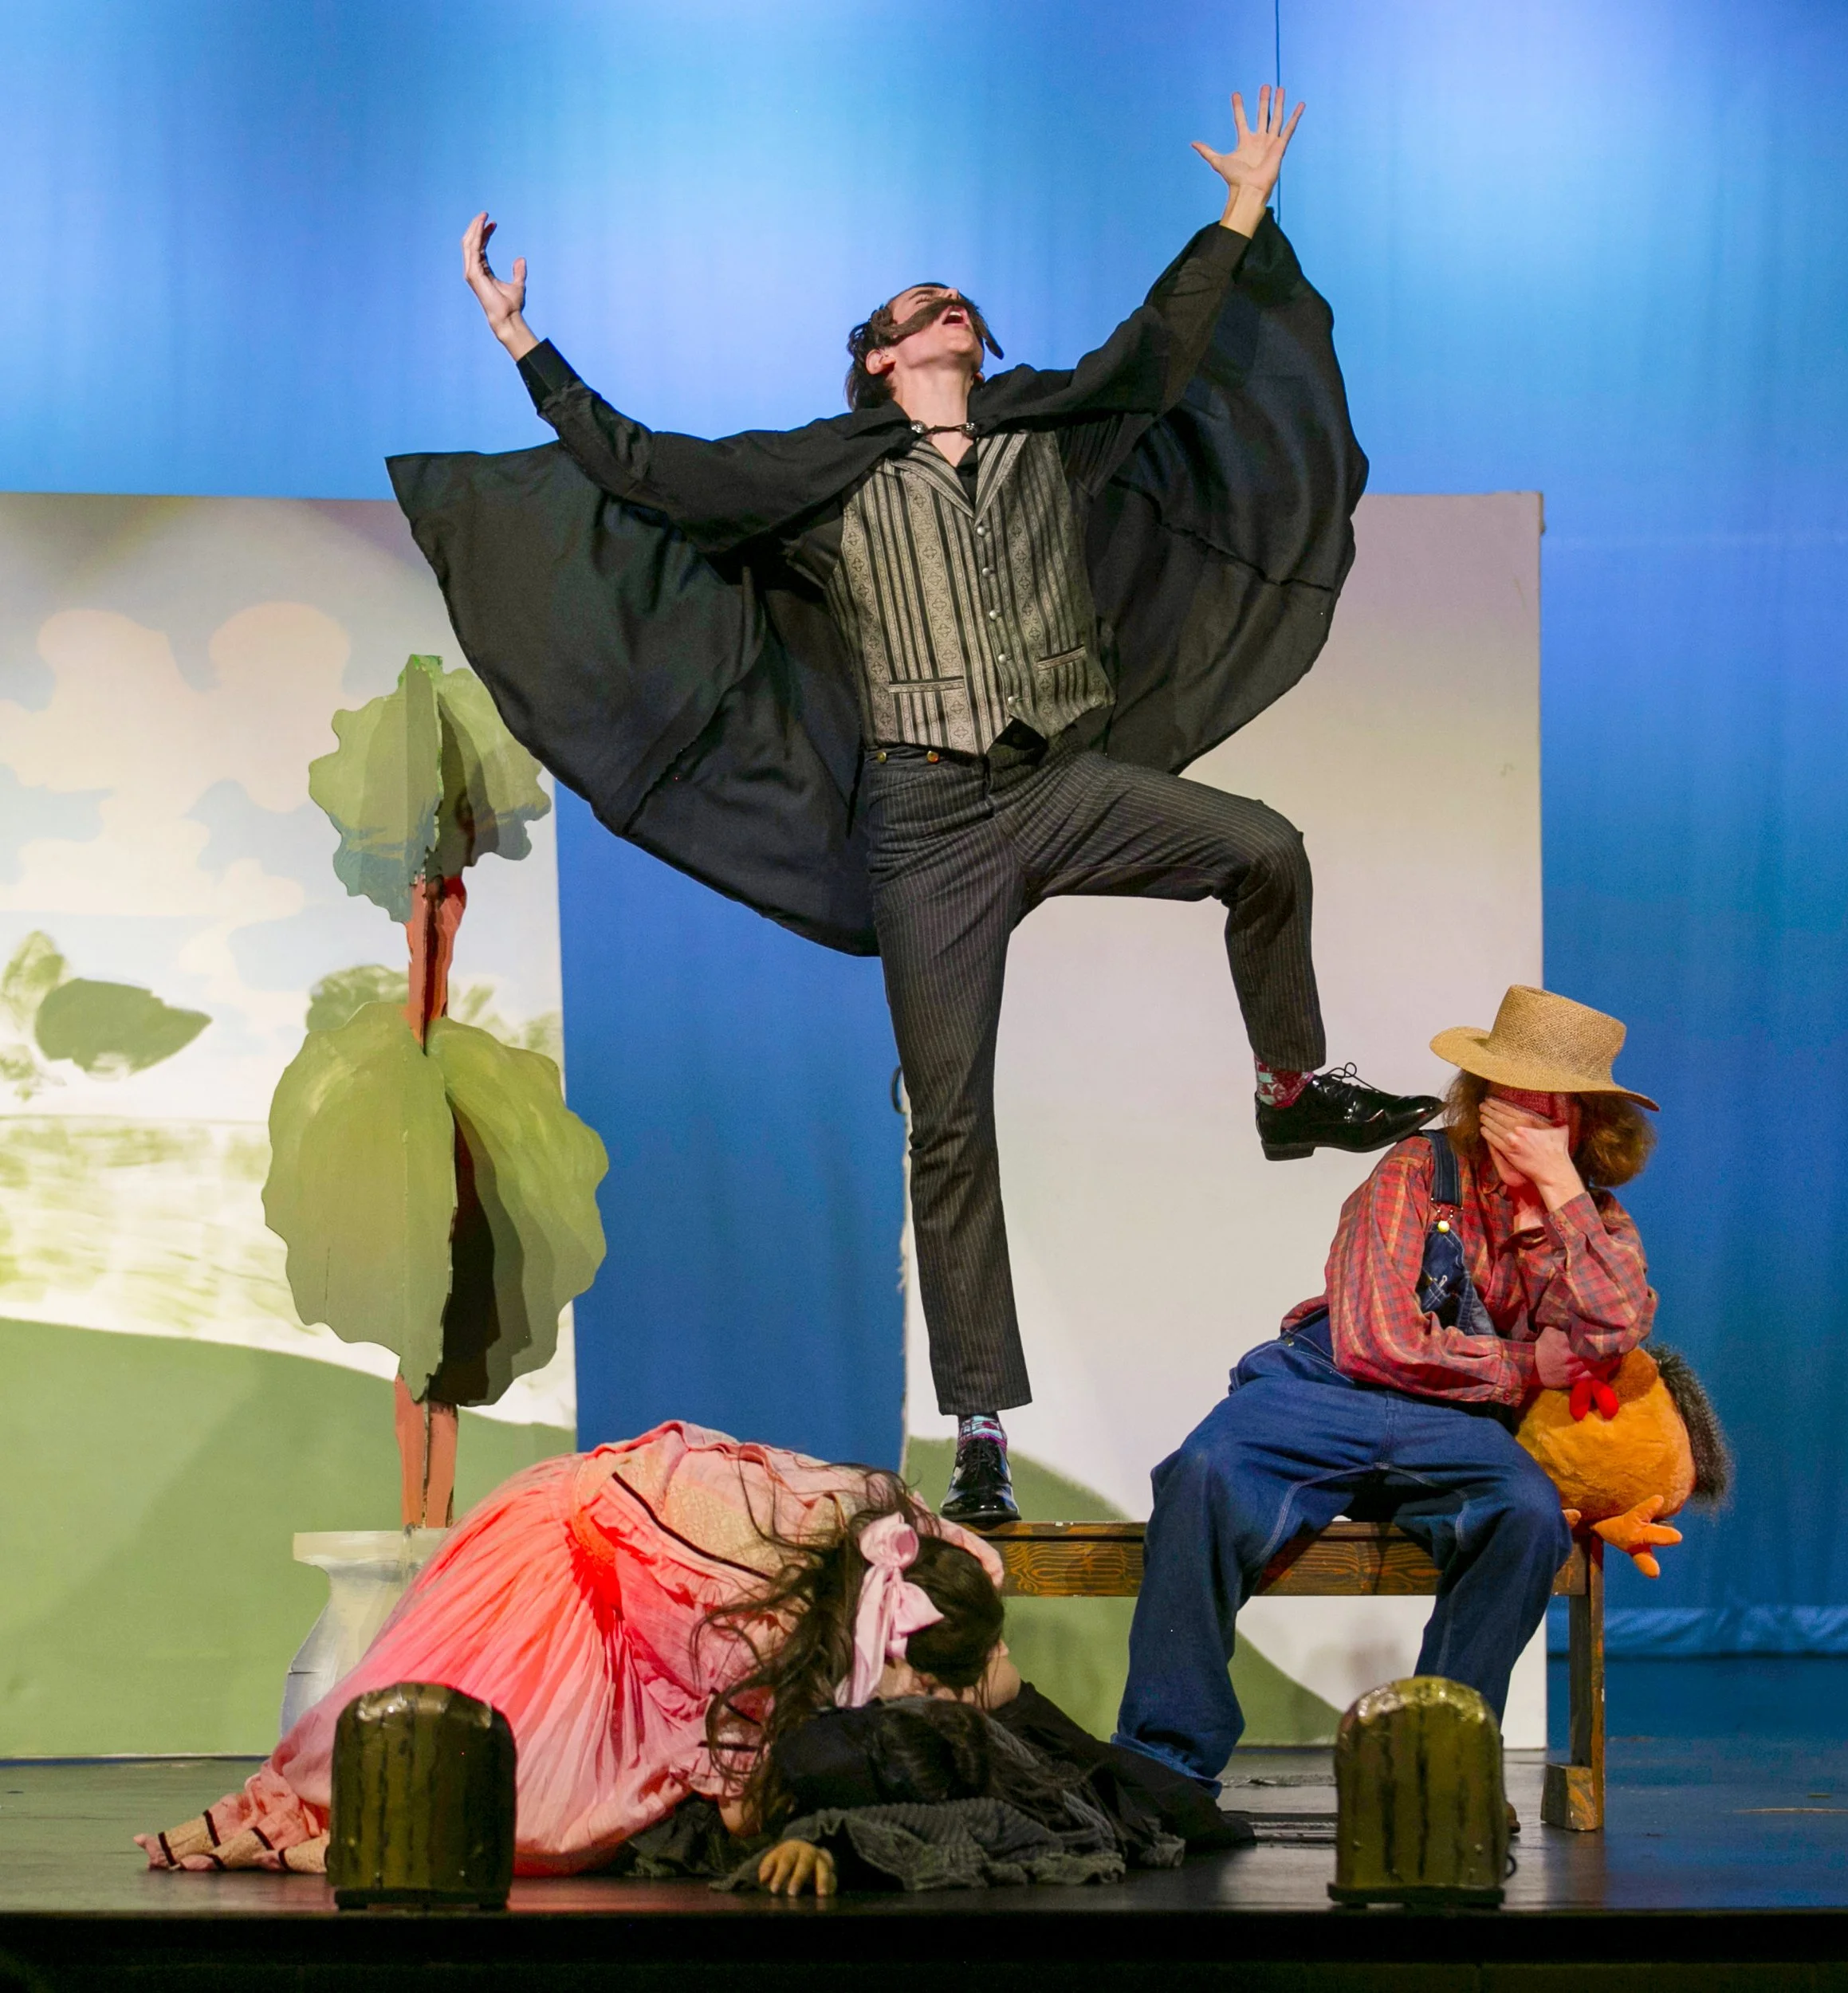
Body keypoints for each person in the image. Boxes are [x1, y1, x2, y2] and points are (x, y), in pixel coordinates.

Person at [392, 86, 1441, 1529]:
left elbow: (1163, 347)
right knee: (950, 1126)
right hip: (928, 824)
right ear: (884, 359)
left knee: (1263, 848)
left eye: (962, 301)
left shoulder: (1052, 430)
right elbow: (647, 468)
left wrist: (1241, 210)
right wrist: (523, 340)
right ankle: (982, 1422)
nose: (956, 308)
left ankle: (1289, 1087)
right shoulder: (820, 479)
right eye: (926, 305)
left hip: (1059, 784)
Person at [140, 1421, 1230, 1887]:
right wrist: (759, 1797)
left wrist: (1136, 1784)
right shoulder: (750, 1604)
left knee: (1012, 1729)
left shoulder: (935, 1569)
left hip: (698, 1568)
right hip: (572, 1564)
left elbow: (996, 1686)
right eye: (927, 1681)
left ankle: (1178, 1800)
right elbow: (714, 1700)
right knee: (543, 1813)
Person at [1112, 985, 1660, 1791]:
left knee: (1527, 1515)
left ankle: (1435, 1764)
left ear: (1586, 1123)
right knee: (1203, 1475)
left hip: (1450, 1422)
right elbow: (1380, 1340)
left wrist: (1559, 1192)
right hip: (1326, 1386)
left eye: (1552, 1108)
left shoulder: (1592, 1220)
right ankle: (1166, 1762)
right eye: (1511, 1097)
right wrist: (1523, 1366)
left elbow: (1615, 1327)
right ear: (1482, 1098)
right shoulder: (1413, 1168)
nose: (1526, 1121)